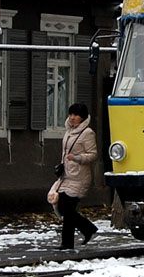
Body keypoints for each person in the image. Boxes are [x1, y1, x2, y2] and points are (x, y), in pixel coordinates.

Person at [47, 103, 98, 250]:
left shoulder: (87, 133)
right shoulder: (69, 131)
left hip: (80, 177)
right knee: (64, 209)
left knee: (66, 208)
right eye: (71, 114)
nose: (72, 117)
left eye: (76, 115)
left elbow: (92, 155)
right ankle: (69, 242)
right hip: (67, 175)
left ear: (83, 117)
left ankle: (87, 229)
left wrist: (76, 158)